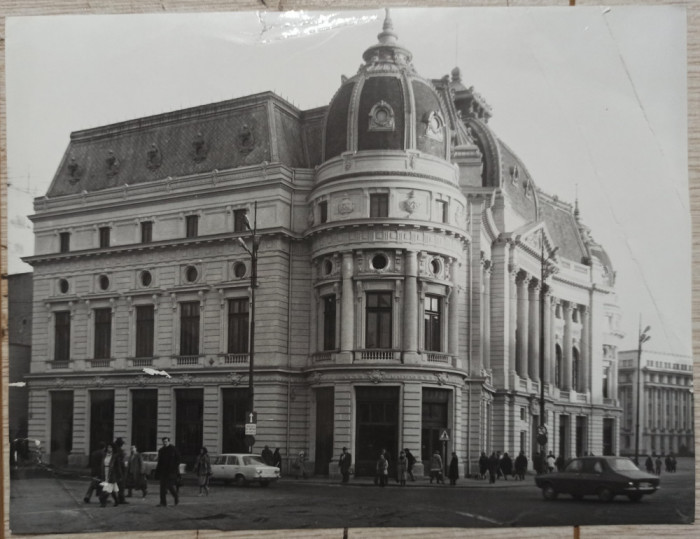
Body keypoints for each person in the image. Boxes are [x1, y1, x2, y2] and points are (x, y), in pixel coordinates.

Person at [155, 437, 180, 507]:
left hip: (171, 472)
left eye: (166, 441)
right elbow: (159, 462)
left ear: (169, 441)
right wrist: (157, 472)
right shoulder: (161, 450)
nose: (165, 443)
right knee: (162, 487)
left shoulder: (173, 449)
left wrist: (174, 468)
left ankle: (176, 497)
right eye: (163, 442)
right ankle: (163, 502)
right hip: (163, 471)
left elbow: (178, 459)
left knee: (170, 486)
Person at [98, 443, 121, 508]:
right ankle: (116, 501)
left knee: (108, 489)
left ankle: (103, 503)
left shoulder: (115, 456)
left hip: (112, 473)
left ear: (113, 448)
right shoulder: (104, 455)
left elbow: (118, 467)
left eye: (110, 447)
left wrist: (119, 475)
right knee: (112, 489)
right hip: (105, 472)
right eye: (108, 447)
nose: (109, 449)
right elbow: (102, 464)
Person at [113, 438, 128, 504]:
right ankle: (121, 499)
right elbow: (120, 462)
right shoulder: (120, 451)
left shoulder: (114, 450)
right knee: (121, 485)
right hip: (120, 469)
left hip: (114, 469)